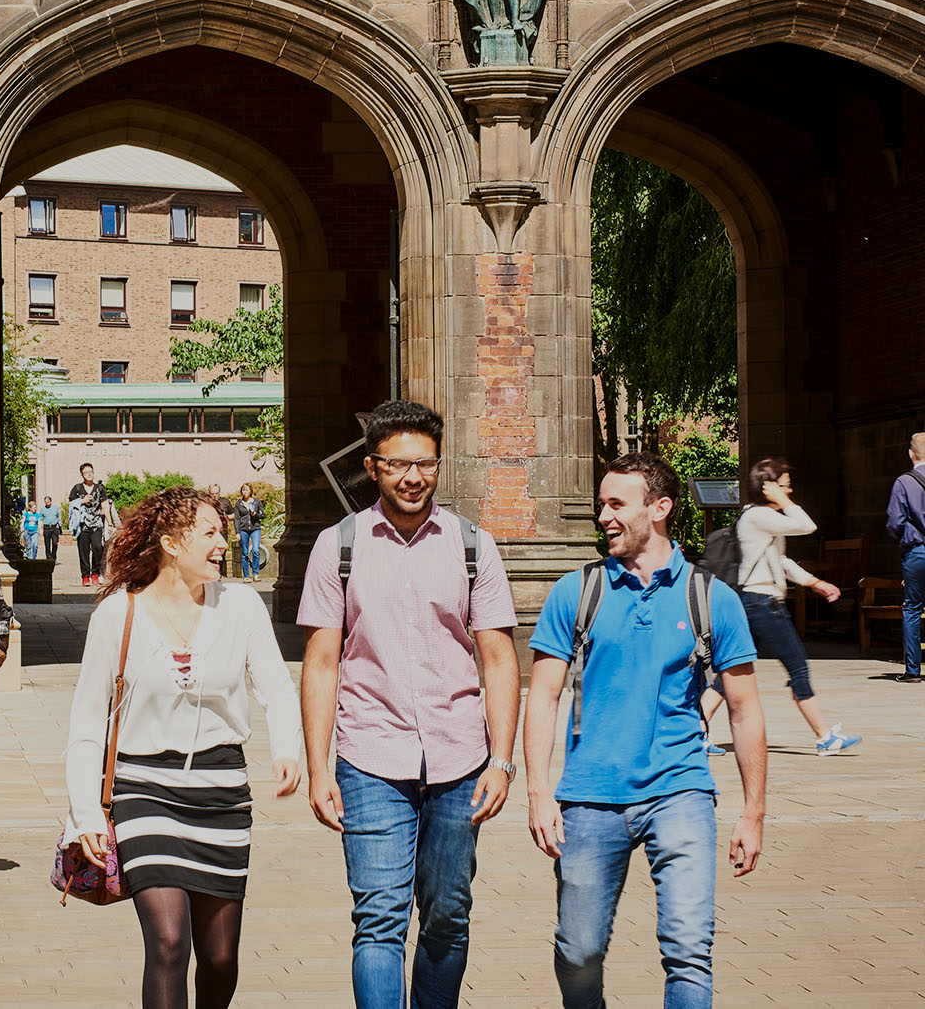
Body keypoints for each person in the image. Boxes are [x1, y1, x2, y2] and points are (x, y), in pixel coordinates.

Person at [297, 399, 520, 1008]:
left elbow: (499, 659)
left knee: (448, 913)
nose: (413, 478)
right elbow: (320, 662)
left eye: (425, 464)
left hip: (459, 758)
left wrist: (502, 759)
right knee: (379, 919)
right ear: (373, 467)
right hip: (369, 754)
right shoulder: (337, 547)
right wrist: (318, 767)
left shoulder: (474, 546)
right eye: (398, 465)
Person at [525, 452, 767, 1009]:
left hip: (681, 792)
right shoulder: (576, 592)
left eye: (617, 504)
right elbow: (541, 694)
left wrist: (752, 812)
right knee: (579, 952)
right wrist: (539, 793)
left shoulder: (711, 598)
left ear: (660, 508)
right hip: (588, 799)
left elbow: (746, 709)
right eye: (601, 503)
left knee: (689, 951)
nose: (603, 516)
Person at [66, 487, 302, 1009]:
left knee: (219, 958)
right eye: (211, 533)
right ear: (172, 544)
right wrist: (85, 813)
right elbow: (86, 721)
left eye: (224, 531)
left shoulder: (240, 605)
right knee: (169, 942)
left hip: (221, 790)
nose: (225, 542)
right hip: (142, 789)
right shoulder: (117, 614)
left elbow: (277, 688)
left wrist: (288, 750)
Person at [696, 458, 860, 756]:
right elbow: (807, 525)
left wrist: (816, 583)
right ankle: (825, 737)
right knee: (797, 666)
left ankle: (695, 734)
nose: (790, 490)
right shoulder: (759, 516)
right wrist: (782, 498)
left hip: (757, 603)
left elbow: (780, 562)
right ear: (767, 488)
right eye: (784, 485)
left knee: (731, 670)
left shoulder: (761, 518)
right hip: (763, 605)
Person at [888, 432, 925, 683]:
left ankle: (912, 671)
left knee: (912, 609)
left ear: (911, 454)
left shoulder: (904, 482)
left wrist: (904, 540)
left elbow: (894, 522)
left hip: (917, 551)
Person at [69, 464, 110, 587]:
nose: (89, 474)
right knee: (84, 551)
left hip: (96, 523)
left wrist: (110, 522)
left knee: (98, 547)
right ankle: (85, 576)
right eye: (86, 472)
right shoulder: (77, 488)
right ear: (82, 474)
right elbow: (71, 505)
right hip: (82, 524)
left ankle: (95, 573)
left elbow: (105, 505)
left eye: (91, 471)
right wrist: (82, 501)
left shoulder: (100, 488)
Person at [233, 484, 264, 584]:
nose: (244, 492)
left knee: (255, 550)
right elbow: (236, 519)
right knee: (245, 553)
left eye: (246, 490)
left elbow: (262, 515)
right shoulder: (239, 504)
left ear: (250, 491)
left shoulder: (256, 502)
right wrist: (237, 532)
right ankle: (246, 576)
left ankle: (255, 573)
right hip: (243, 529)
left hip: (255, 528)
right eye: (243, 490)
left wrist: (256, 515)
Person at [40, 496, 62, 566]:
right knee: (47, 545)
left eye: (48, 502)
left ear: (51, 501)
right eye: (46, 502)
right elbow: (41, 519)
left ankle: (54, 557)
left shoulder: (55, 508)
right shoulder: (42, 509)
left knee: (55, 543)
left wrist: (60, 524)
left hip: (54, 527)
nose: (47, 503)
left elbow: (59, 516)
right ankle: (48, 558)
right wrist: (40, 527)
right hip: (46, 528)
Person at [21, 495, 41, 560]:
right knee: (28, 546)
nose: (35, 509)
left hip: (35, 532)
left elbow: (40, 522)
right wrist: (22, 530)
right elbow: (22, 521)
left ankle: (34, 558)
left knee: (35, 545)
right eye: (34, 507)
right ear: (30, 508)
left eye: (35, 507)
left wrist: (40, 529)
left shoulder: (37, 515)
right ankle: (29, 558)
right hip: (27, 531)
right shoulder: (26, 514)